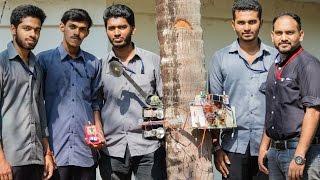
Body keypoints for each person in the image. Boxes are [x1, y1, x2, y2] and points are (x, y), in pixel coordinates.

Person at [207, 0, 278, 179]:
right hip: (233, 147)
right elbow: (214, 108)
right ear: (233, 24)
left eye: (252, 22)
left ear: (261, 23)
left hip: (269, 147)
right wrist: (216, 148)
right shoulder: (220, 59)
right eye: (241, 22)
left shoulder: (276, 58)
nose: (247, 27)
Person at [98, 4, 166, 180]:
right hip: (112, 147)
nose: (117, 33)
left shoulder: (153, 61)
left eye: (122, 27)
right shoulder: (99, 65)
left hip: (149, 146)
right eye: (111, 28)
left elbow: (165, 101)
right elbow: (95, 104)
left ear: (133, 29)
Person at [37, 8, 104, 180]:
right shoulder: (43, 61)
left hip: (85, 150)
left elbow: (95, 102)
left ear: (87, 33)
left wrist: (99, 130)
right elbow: (35, 104)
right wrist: (44, 149)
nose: (77, 32)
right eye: (72, 26)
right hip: (55, 149)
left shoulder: (94, 63)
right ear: (62, 27)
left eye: (82, 29)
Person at [258, 12, 320, 180]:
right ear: (272, 36)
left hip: (300, 152)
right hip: (275, 152)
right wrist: (264, 147)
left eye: (289, 32)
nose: (283, 37)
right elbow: (271, 109)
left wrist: (299, 156)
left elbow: (313, 112)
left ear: (301, 35)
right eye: (279, 33)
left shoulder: (309, 65)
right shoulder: (275, 67)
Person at [0, 4, 54, 180]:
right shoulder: (2, 64)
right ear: (13, 29)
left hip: (36, 158)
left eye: (37, 30)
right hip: (10, 159)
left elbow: (40, 111)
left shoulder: (37, 65)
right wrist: (1, 160)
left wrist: (46, 153)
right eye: (27, 28)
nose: (33, 34)